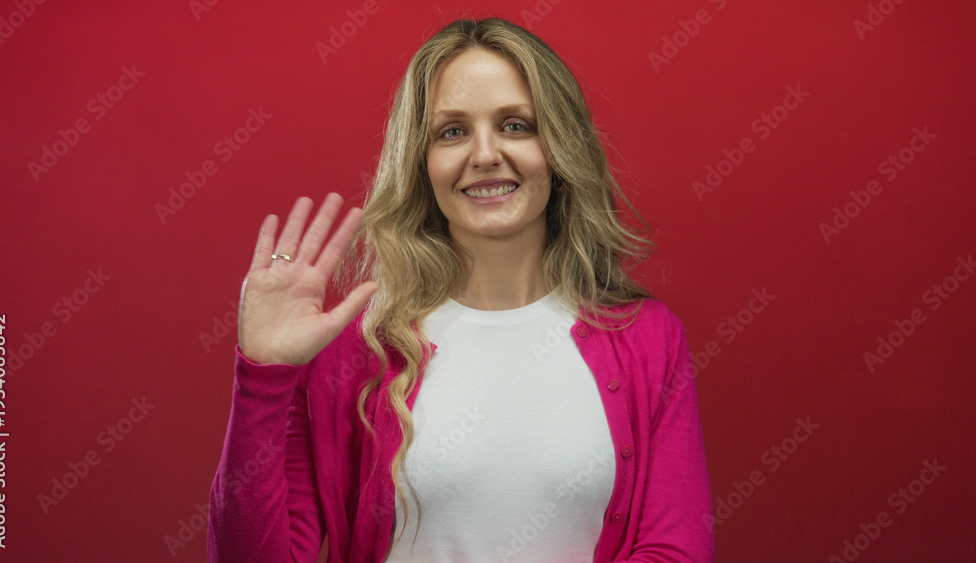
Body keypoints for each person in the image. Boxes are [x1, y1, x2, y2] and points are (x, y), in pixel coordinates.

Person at [208, 17, 713, 563]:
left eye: (516, 125)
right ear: (421, 165)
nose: (485, 154)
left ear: (560, 148)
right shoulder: (355, 351)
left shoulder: (648, 339)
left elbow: (676, 550)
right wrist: (263, 378)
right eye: (451, 132)